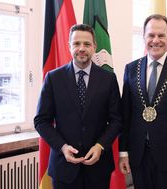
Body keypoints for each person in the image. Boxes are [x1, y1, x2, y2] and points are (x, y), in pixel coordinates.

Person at [34, 24, 122, 189]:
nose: (82, 48)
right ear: (69, 46)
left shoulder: (108, 79)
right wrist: (62, 147)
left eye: (87, 44)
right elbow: (41, 121)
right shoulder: (53, 78)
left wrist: (100, 146)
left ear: (94, 47)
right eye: (76, 44)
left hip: (98, 168)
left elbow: (117, 120)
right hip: (63, 169)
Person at [118, 14, 167, 189]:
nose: (156, 40)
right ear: (144, 37)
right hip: (139, 155)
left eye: (161, 35)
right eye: (151, 35)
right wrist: (123, 152)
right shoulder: (131, 69)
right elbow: (126, 114)